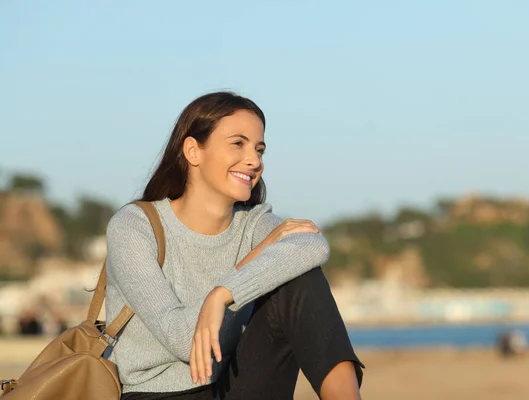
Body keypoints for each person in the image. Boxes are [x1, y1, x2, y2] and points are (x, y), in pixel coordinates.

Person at [104, 91, 364, 400]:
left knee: (300, 278)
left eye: (259, 149)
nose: (254, 160)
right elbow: (184, 340)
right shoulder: (135, 225)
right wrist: (249, 264)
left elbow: (312, 246)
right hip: (158, 394)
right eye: (238, 144)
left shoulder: (253, 223)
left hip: (232, 386)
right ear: (193, 151)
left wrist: (222, 294)